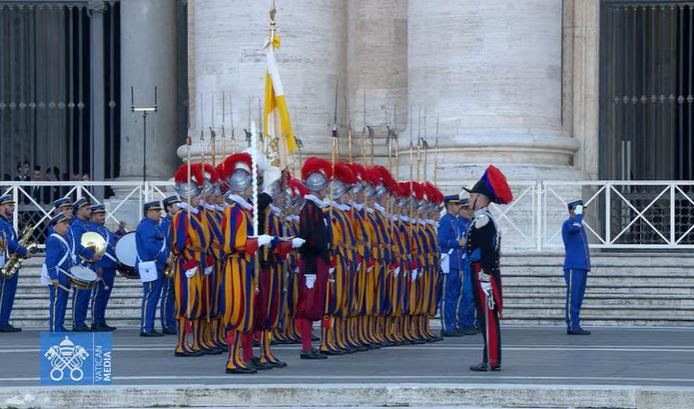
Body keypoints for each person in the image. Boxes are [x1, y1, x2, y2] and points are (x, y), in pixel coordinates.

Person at [219, 153, 271, 373]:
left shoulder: (243, 211)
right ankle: (232, 360)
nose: (253, 189)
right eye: (251, 185)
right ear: (241, 187)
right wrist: (256, 241)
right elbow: (232, 244)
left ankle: (240, 357)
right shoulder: (234, 212)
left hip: (245, 266)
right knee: (237, 312)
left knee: (246, 313)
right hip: (236, 266)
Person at [465, 165, 512, 372]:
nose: (468, 200)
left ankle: (491, 359)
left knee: (487, 318)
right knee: (484, 317)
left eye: (472, 195)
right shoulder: (481, 218)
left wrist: (485, 274)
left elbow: (486, 251)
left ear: (481, 199)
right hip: (481, 271)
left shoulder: (483, 219)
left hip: (483, 273)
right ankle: (490, 358)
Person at [296, 157, 333, 360]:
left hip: (319, 261)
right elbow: (309, 238)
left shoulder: (318, 209)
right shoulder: (309, 209)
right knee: (308, 305)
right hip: (312, 262)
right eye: (323, 188)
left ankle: (308, 346)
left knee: (315, 303)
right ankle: (306, 347)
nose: (325, 191)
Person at [0, 194, 32, 332]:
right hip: (3, 263)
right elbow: (7, 241)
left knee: (9, 293)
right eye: (8, 205)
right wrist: (23, 250)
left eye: (12, 205)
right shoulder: (1, 223)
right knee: (4, 293)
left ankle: (4, 321)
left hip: (10, 262)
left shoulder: (7, 223)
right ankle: (2, 323)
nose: (12, 207)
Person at [136, 201, 168, 337]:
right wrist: (164, 258)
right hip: (150, 265)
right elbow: (149, 246)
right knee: (150, 296)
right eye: (157, 211)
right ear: (149, 212)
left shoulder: (155, 226)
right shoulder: (146, 226)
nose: (160, 213)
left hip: (157, 265)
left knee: (154, 296)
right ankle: (146, 327)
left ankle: (150, 326)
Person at [562, 200, 591, 336]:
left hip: (581, 266)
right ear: (573, 210)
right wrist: (578, 217)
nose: (583, 212)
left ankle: (576, 323)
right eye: (580, 209)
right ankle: (572, 325)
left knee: (578, 297)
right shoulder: (569, 224)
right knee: (573, 297)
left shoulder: (579, 224)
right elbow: (574, 229)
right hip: (573, 266)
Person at [87, 204, 118, 332]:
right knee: (98, 295)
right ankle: (95, 321)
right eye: (100, 215)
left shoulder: (104, 229)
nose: (103, 217)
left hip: (110, 266)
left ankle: (101, 320)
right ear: (93, 216)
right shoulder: (91, 230)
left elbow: (113, 242)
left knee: (105, 295)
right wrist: (97, 266)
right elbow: (92, 250)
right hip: (101, 266)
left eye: (103, 215)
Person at [438, 195, 465, 337]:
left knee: (454, 295)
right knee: (447, 295)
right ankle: (447, 326)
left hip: (456, 263)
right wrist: (457, 243)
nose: (459, 208)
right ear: (449, 206)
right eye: (456, 205)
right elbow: (441, 240)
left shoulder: (454, 221)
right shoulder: (445, 221)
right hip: (448, 262)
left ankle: (452, 323)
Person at [43, 213, 73, 332]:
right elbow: (50, 261)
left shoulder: (63, 239)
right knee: (56, 303)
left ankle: (59, 325)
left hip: (65, 275)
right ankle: (55, 327)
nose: (67, 226)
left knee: (62, 302)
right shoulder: (53, 240)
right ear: (56, 226)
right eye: (64, 224)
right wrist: (53, 277)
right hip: (58, 276)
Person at [70, 198, 95, 331]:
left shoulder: (87, 224)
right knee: (80, 294)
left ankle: (81, 321)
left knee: (86, 295)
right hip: (81, 263)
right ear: (79, 211)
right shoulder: (77, 226)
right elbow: (77, 245)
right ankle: (77, 322)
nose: (89, 211)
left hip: (89, 263)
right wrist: (91, 255)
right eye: (87, 209)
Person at [456, 194, 479, 335]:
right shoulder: (458, 223)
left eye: (470, 209)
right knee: (466, 294)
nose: (469, 212)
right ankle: (464, 322)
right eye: (466, 209)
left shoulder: (470, 223)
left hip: (471, 262)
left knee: (473, 295)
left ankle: (470, 321)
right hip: (464, 262)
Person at [160, 195, 180, 335]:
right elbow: (167, 242)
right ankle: (167, 323)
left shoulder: (175, 220)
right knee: (168, 294)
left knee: (174, 294)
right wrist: (169, 260)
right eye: (175, 205)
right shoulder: (167, 223)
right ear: (168, 208)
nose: (178, 207)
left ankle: (172, 321)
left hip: (177, 261)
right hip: (170, 262)